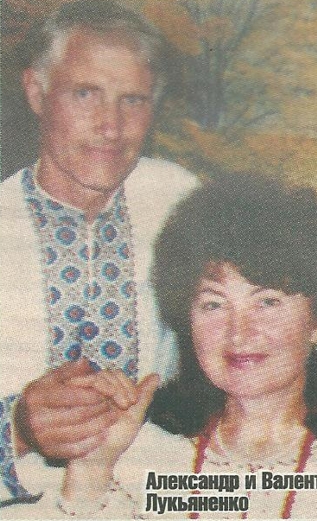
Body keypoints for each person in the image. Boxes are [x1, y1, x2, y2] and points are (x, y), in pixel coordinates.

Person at [3, 175, 317, 518]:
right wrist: (91, 472)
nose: (238, 333)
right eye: (213, 304)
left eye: (267, 302)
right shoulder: (145, 453)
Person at [0, 0, 198, 504]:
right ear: (36, 92)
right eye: (85, 94)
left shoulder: (180, 201)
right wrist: (17, 430)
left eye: (132, 100)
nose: (111, 125)